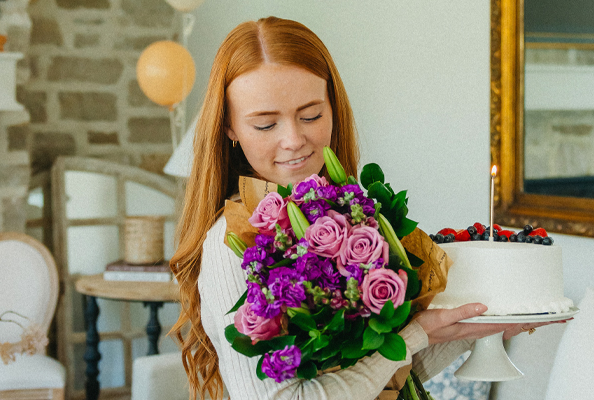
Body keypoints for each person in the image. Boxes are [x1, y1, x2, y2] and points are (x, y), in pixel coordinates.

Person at [170, 16, 560, 400]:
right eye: (265, 125)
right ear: (230, 129)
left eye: (311, 115)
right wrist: (416, 333)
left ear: (334, 108)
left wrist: (476, 327)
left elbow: (388, 375)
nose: (294, 140)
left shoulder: (348, 213)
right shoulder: (231, 245)